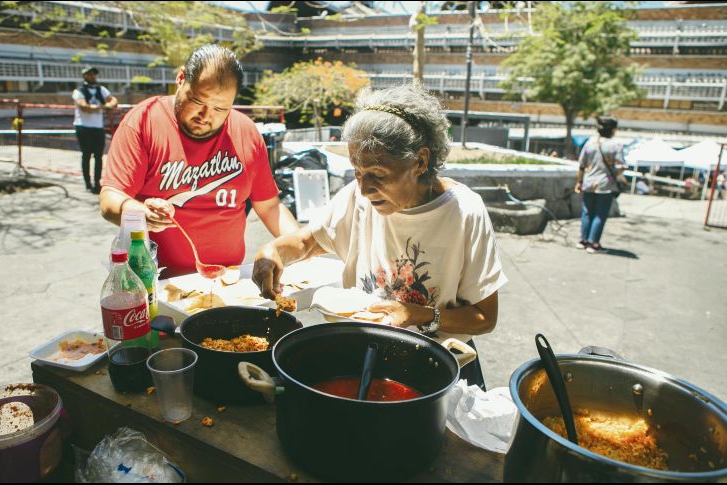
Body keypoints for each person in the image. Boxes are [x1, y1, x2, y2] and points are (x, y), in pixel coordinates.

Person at [252, 84, 507, 389]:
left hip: (439, 366)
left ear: (420, 162)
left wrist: (418, 314)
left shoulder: (465, 212)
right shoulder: (358, 199)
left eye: (378, 174)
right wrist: (273, 253)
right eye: (357, 173)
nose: (364, 188)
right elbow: (308, 242)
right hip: (364, 356)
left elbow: (484, 317)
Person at [99, 45, 299, 277]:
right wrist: (138, 211)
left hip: (228, 278)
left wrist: (301, 246)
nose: (205, 116)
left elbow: (270, 206)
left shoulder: (246, 132)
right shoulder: (144, 121)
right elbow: (110, 199)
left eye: (220, 108)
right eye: (197, 101)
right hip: (155, 281)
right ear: (181, 78)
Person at [574, 116, 625, 254]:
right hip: (605, 185)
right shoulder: (616, 146)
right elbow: (620, 167)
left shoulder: (589, 144)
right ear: (613, 130)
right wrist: (619, 173)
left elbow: (581, 165)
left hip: (588, 182)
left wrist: (579, 182)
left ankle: (583, 241)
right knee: (599, 214)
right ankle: (593, 244)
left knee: (587, 212)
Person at [73, 66, 118, 194]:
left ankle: (97, 183)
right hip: (83, 126)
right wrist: (104, 106)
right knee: (86, 155)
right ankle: (88, 183)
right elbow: (84, 107)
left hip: (98, 127)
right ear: (85, 76)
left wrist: (107, 105)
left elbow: (113, 100)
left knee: (99, 156)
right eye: (89, 74)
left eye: (94, 74)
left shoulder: (100, 89)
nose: (92, 77)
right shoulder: (79, 90)